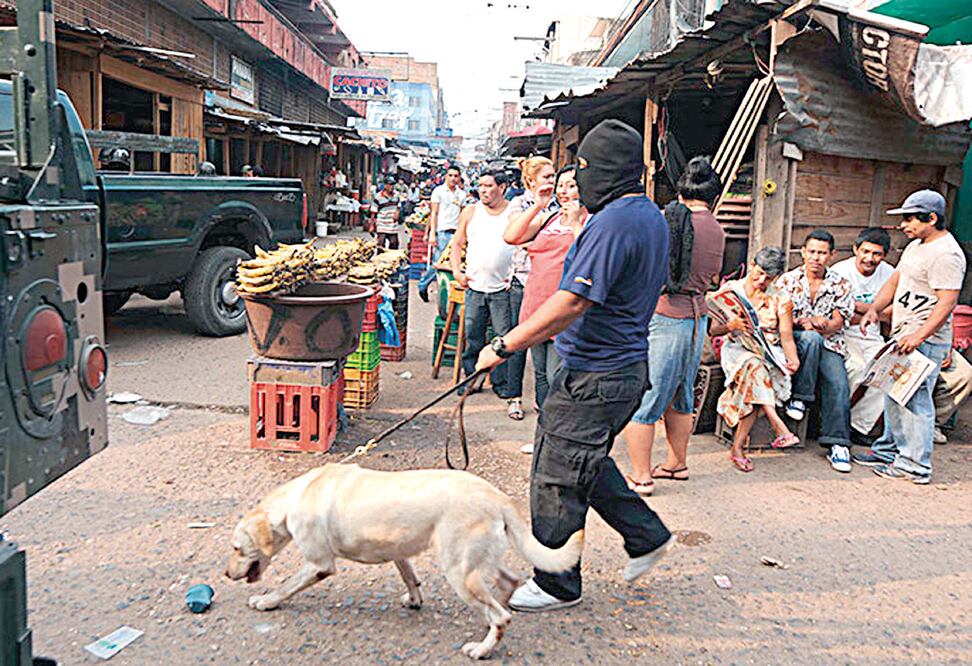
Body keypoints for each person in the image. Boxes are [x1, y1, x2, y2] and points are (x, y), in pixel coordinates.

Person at [476, 120, 674, 612]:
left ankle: (556, 582)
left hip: (599, 374)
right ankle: (645, 534)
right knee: (580, 460)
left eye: (584, 168)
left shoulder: (614, 223)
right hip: (611, 367)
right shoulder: (645, 213)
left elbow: (570, 304)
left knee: (555, 475)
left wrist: (503, 346)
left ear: (605, 170)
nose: (577, 178)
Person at [622, 156, 726, 494]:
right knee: (680, 397)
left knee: (646, 399)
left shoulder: (671, 221)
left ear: (681, 190)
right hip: (698, 317)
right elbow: (711, 277)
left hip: (667, 316)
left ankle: (641, 475)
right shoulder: (716, 228)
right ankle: (676, 463)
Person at [854, 190, 966, 484]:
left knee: (915, 401)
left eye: (909, 218)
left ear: (931, 218)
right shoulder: (917, 246)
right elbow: (896, 280)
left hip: (924, 339)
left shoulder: (947, 254)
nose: (903, 225)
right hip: (904, 334)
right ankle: (890, 450)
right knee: (895, 393)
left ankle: (915, 465)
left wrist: (919, 336)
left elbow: (946, 302)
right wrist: (874, 309)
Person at [505, 164, 587, 420]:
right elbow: (511, 236)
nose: (563, 190)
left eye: (570, 185)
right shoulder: (548, 217)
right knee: (540, 373)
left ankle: (560, 426)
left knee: (556, 376)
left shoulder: (590, 220)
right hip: (534, 305)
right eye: (560, 184)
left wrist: (574, 224)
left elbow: (590, 257)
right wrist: (539, 204)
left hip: (563, 311)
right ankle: (545, 428)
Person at [712, 248, 802, 472]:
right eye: (759, 273)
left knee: (756, 373)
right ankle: (776, 425)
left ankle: (738, 448)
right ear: (751, 265)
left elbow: (787, 337)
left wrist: (793, 360)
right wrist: (730, 326)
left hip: (768, 353)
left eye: (769, 278)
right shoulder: (731, 291)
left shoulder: (781, 298)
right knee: (753, 367)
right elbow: (713, 331)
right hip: (735, 350)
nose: (762, 281)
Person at [776, 230, 854, 473]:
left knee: (838, 383)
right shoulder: (787, 281)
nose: (816, 258)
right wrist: (804, 323)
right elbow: (780, 318)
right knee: (809, 338)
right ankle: (800, 396)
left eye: (822, 253)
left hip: (830, 341)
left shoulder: (840, 284)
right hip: (795, 338)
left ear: (831, 255)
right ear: (803, 252)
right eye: (812, 252)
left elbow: (839, 322)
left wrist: (823, 324)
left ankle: (838, 444)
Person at [452, 171, 521, 408]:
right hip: (475, 287)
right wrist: (457, 271)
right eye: (480, 185)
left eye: (489, 186)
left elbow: (523, 241)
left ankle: (500, 382)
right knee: (472, 335)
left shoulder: (513, 212)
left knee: (503, 338)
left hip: (502, 289)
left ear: (502, 187)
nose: (483, 190)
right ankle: (472, 378)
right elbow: (457, 243)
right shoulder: (471, 212)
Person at [501, 156, 558, 420]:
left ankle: (542, 403)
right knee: (518, 343)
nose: (552, 180)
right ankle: (514, 398)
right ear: (531, 180)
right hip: (522, 282)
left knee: (544, 350)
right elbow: (517, 236)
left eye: (553, 175)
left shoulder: (560, 204)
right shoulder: (519, 203)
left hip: (549, 286)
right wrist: (538, 207)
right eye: (547, 176)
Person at [830, 228, 895, 443]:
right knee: (855, 369)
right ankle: (835, 422)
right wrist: (875, 310)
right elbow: (837, 311)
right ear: (855, 249)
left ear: (884, 255)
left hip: (873, 337)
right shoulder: (840, 271)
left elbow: (892, 312)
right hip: (844, 334)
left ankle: (857, 426)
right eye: (865, 251)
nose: (870, 258)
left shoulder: (889, 273)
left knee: (886, 372)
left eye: (876, 254)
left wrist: (859, 308)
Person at [418, 166, 465, 302]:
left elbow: (463, 215)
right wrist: (432, 233)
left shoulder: (461, 194)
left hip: (456, 232)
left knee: (453, 262)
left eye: (456, 176)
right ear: (446, 176)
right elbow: (434, 213)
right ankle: (423, 285)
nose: (453, 178)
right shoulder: (438, 191)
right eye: (450, 175)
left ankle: (447, 292)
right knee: (439, 262)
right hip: (442, 231)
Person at [934, 343, 972, 443]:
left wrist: (948, 347)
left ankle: (930, 424)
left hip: (933, 339)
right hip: (898, 338)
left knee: (964, 374)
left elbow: (946, 327)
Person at [373, 178, 401, 249]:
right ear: (385, 186)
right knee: (381, 244)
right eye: (390, 185)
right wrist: (372, 224)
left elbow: (399, 205)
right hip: (382, 223)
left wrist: (397, 212)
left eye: (393, 185)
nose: (392, 187)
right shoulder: (378, 196)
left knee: (394, 243)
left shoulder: (396, 195)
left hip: (392, 224)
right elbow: (373, 211)